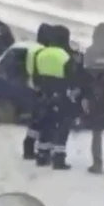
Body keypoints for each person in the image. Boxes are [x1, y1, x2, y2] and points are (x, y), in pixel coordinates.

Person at [32, 25, 80, 170]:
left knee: (46, 125)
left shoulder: (40, 53)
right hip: (61, 95)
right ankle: (58, 159)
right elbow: (73, 77)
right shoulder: (65, 56)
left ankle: (42, 155)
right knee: (62, 127)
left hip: (44, 95)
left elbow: (35, 77)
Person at [83, 23, 104, 174]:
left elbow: (86, 76)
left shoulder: (91, 52)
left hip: (96, 96)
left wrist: (86, 96)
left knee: (96, 132)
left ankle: (97, 163)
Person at [22, 23, 52, 159]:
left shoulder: (33, 50)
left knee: (35, 119)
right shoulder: (43, 51)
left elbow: (29, 69)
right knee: (41, 120)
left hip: (31, 86)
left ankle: (29, 146)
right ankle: (36, 148)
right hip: (40, 88)